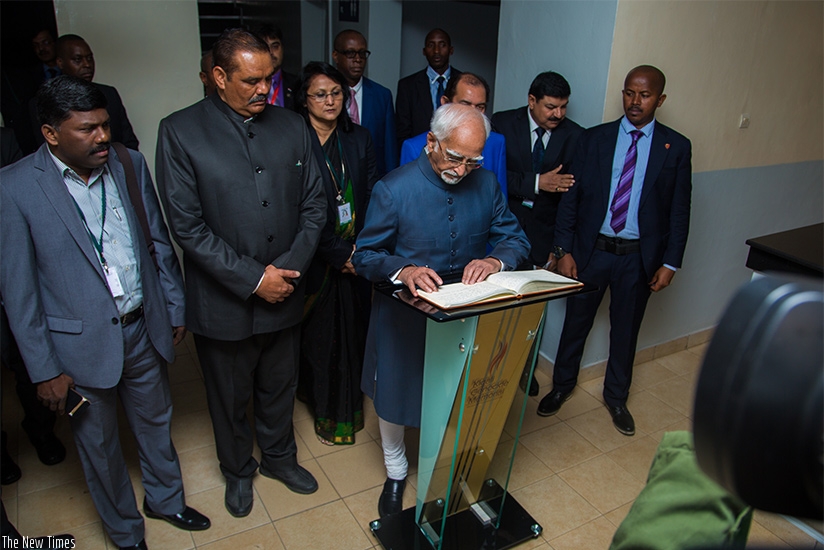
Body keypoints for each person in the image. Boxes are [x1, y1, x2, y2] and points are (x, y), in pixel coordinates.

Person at [0, 75, 210, 550]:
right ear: (50, 133)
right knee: (99, 448)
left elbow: (157, 240)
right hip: (77, 350)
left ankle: (166, 500)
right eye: (87, 129)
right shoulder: (14, 189)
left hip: (143, 328)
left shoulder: (128, 163)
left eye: (104, 125)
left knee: (156, 424)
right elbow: (19, 293)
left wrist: (173, 307)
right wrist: (44, 369)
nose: (102, 137)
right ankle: (124, 530)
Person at [155, 29, 326, 518]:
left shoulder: (292, 126)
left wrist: (286, 270)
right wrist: (255, 279)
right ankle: (237, 471)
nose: (263, 90)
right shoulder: (180, 131)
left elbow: (315, 205)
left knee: (279, 387)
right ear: (218, 76)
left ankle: (279, 459)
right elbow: (186, 226)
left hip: (286, 292)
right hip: (224, 301)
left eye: (268, 79)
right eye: (250, 80)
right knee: (228, 398)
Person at [352, 103, 530, 516]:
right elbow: (365, 256)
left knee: (454, 393)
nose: (463, 169)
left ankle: (453, 464)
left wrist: (495, 261)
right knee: (395, 392)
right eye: (455, 157)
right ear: (432, 142)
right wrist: (404, 268)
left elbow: (516, 240)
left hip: (462, 314)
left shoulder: (486, 184)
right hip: (403, 313)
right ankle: (395, 471)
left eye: (474, 160)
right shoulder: (393, 189)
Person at [540, 65, 692, 437]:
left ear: (660, 99)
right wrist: (564, 249)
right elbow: (571, 200)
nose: (635, 101)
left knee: (626, 330)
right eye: (629, 93)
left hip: (638, 258)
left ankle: (617, 397)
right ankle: (561, 386)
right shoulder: (594, 139)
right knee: (576, 322)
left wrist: (670, 262)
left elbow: (679, 210)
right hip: (592, 252)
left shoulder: (676, 147)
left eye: (644, 95)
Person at [295, 62, 378, 446]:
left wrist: (362, 247)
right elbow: (292, 209)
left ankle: (348, 409)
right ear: (304, 99)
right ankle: (324, 409)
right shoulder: (293, 140)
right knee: (320, 341)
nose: (330, 101)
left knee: (354, 338)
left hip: (356, 257)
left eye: (337, 93)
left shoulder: (359, 138)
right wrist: (336, 252)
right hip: (316, 259)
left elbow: (374, 193)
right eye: (320, 94)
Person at [491, 71, 584, 271]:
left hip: (545, 239)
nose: (558, 114)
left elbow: (571, 200)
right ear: (532, 101)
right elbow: (491, 177)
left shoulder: (576, 136)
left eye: (563, 107)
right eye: (551, 107)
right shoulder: (502, 124)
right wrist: (536, 183)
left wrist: (560, 248)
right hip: (502, 232)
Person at [400, 72, 507, 197]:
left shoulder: (496, 143)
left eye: (480, 107)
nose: (472, 113)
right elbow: (407, 198)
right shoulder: (414, 147)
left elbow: (500, 200)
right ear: (445, 103)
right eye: (465, 105)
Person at [45, 34, 140, 150]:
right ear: (60, 62)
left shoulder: (109, 94)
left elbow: (129, 142)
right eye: (78, 59)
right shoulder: (46, 103)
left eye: (89, 58)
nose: (87, 64)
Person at [332, 29, 397, 178]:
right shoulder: (327, 95)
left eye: (362, 54)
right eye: (350, 53)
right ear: (336, 56)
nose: (358, 59)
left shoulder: (382, 95)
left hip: (372, 179)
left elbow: (389, 149)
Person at [395, 28, 461, 146]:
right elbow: (402, 132)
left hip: (456, 155)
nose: (436, 51)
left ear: (451, 50)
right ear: (424, 51)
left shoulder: (463, 82)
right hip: (419, 155)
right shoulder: (407, 86)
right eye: (431, 45)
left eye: (442, 45)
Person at [253, 24, 300, 109]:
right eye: (265, 47)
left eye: (275, 46)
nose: (271, 52)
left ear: (282, 48)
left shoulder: (297, 84)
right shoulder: (249, 85)